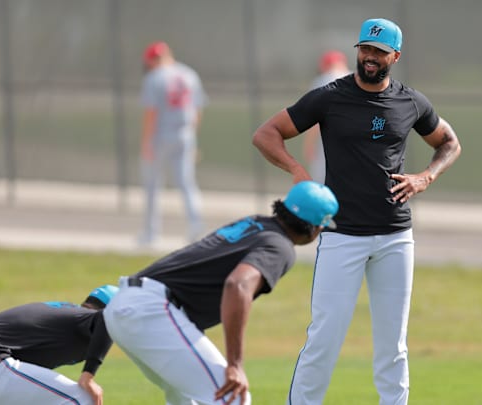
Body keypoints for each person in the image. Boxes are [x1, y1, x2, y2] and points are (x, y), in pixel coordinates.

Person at [252, 18, 462, 404]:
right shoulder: (329, 97)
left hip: (396, 236)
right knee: (324, 339)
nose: (369, 57)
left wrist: (425, 178)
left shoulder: (412, 101)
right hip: (341, 234)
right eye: (365, 49)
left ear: (395, 56)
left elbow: (449, 143)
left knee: (393, 345)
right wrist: (299, 174)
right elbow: (266, 134)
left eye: (379, 52)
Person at [103, 181, 339, 405]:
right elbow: (237, 285)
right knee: (232, 397)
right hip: (153, 310)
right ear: (315, 228)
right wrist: (235, 364)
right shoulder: (280, 247)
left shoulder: (255, 223)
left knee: (186, 399)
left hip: (127, 302)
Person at [0, 285, 119, 405]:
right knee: (82, 399)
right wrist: (88, 377)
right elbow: (105, 320)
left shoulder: (66, 318)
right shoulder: (88, 317)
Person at [138, 41, 209, 246]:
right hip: (185, 133)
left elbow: (151, 114)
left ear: (153, 60)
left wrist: (146, 142)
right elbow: (197, 110)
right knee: (187, 182)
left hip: (161, 135)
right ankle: (196, 224)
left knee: (152, 184)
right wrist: (193, 137)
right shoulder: (189, 74)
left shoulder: (154, 78)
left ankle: (151, 233)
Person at [302, 50, 351, 184]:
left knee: (323, 184)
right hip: (355, 141)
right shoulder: (357, 79)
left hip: (327, 141)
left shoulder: (321, 81)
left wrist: (309, 144)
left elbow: (314, 118)